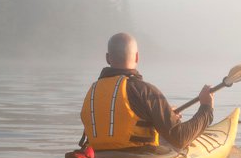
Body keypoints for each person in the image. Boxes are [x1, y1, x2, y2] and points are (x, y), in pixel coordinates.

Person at [80, 32, 214, 151]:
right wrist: (206, 108)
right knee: (176, 144)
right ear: (137, 57)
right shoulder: (145, 91)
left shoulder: (92, 91)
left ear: (108, 58)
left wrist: (165, 116)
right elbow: (180, 138)